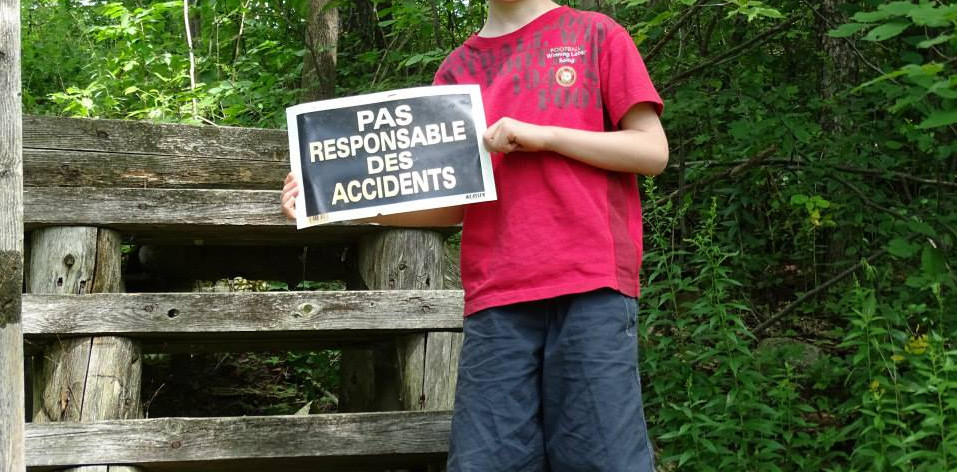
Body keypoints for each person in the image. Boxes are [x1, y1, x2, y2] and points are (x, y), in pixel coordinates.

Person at [282, 0, 667, 469]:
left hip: (592, 286)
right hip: (497, 300)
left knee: (603, 459)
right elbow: (451, 206)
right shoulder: (455, 72)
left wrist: (545, 136)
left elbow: (652, 151)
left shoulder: (596, 34)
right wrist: (332, 201)